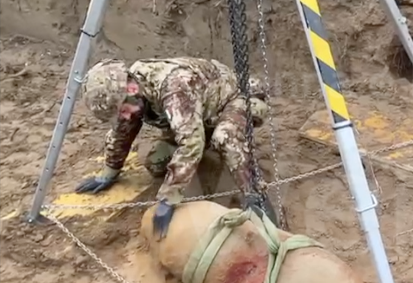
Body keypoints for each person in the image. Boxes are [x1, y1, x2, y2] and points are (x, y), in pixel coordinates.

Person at [75, 57, 277, 237]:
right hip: (196, 112)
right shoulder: (131, 90)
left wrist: (168, 198)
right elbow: (123, 130)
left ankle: (256, 196)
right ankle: (205, 134)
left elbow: (191, 144)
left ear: (132, 90)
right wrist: (110, 171)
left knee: (224, 137)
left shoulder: (174, 88)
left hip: (233, 100)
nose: (125, 115)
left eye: (123, 110)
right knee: (156, 163)